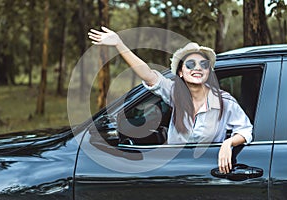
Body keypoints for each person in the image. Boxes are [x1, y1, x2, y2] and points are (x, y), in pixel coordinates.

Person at [88, 27, 253, 174]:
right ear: (180, 72)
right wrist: (119, 44)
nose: (198, 68)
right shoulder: (175, 93)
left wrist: (228, 143)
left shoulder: (224, 101)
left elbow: (245, 131)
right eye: (190, 64)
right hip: (174, 171)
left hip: (207, 171)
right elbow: (148, 75)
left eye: (204, 64)